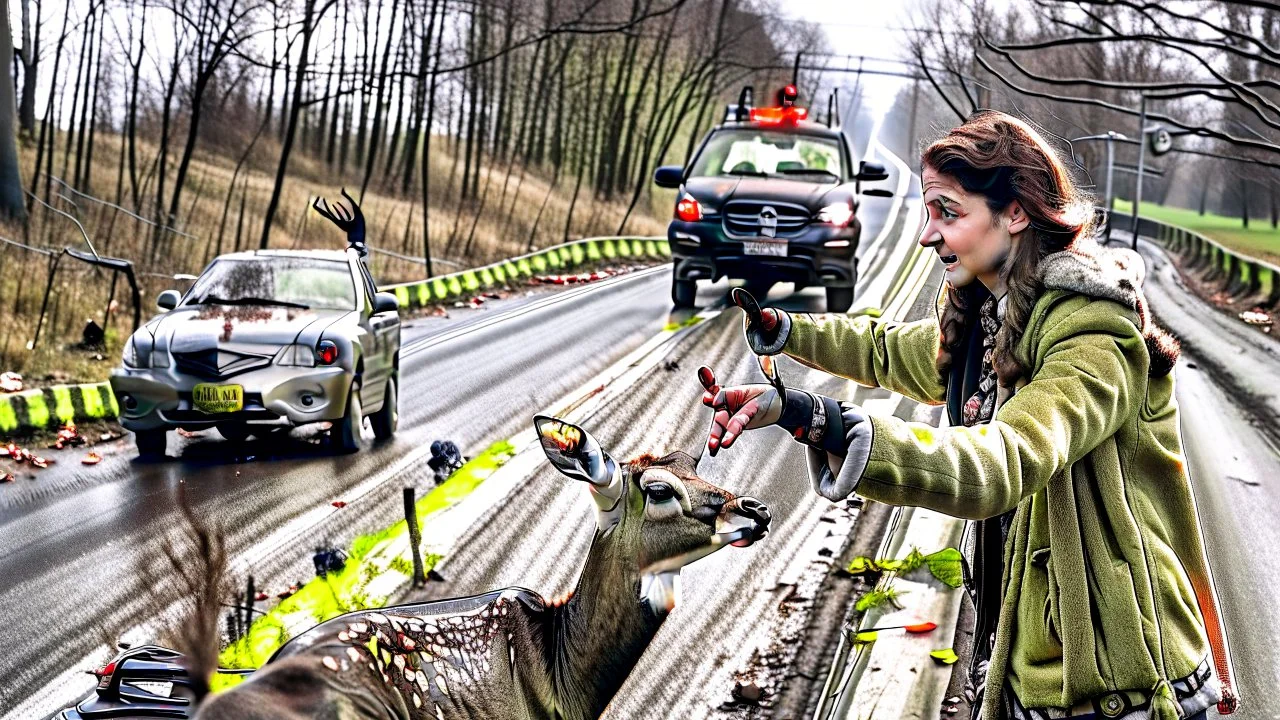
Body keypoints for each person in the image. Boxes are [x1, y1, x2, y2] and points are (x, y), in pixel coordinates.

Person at [697, 110, 1237, 720]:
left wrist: (836, 425)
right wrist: (788, 342)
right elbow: (887, 350)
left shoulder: (1093, 333)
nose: (927, 235)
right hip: (1036, 670)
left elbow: (1002, 461)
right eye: (929, 212)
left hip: (1121, 683)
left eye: (948, 213)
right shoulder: (993, 319)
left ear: (1016, 212)